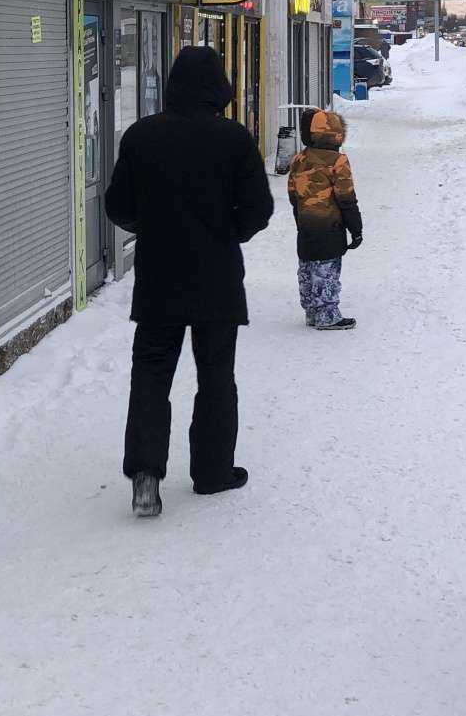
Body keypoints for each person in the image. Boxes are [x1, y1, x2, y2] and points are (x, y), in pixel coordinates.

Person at [104, 44, 273, 517]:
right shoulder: (235, 139)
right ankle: (213, 471)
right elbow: (259, 210)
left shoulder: (141, 137)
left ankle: (144, 474)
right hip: (217, 279)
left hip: (159, 278)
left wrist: (150, 227)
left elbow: (118, 206)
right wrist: (229, 233)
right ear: (218, 87)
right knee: (216, 374)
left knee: (152, 374)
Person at [286, 108, 363, 330]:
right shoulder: (338, 162)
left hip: (306, 225)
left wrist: (301, 218)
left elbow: (293, 194)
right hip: (330, 225)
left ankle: (312, 310)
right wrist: (356, 229)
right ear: (338, 134)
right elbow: (346, 198)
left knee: (308, 267)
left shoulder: (299, 160)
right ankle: (327, 314)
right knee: (327, 269)